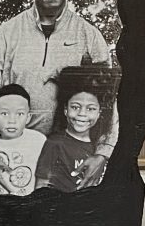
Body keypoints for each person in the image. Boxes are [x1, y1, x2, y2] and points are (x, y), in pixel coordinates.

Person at [0, 0, 119, 191]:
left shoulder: (89, 36)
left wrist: (103, 154)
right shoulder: (7, 34)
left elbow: (109, 100)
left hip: (70, 161)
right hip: (16, 160)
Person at [35, 65, 119, 193]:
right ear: (65, 109)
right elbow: (41, 185)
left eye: (90, 109)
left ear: (99, 112)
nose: (82, 114)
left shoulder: (100, 145)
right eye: (75, 107)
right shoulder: (55, 143)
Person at [0, 83, 45, 197]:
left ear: (28, 117)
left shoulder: (38, 140)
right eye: (5, 113)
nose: (12, 120)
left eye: (20, 114)